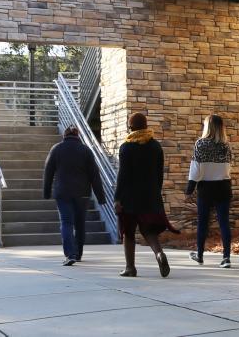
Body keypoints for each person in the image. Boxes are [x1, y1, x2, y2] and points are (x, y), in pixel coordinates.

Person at [114, 112, 178, 277]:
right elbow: (159, 174)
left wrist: (117, 198)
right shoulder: (155, 146)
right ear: (146, 126)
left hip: (129, 197)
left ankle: (130, 268)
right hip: (150, 196)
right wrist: (155, 192)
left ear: (131, 128)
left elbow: (122, 175)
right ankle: (159, 254)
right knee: (148, 231)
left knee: (129, 232)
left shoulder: (126, 147)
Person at [43, 126, 106, 266]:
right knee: (80, 224)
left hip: (63, 192)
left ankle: (70, 254)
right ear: (78, 136)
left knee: (66, 223)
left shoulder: (56, 149)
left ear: (64, 135)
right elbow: (95, 175)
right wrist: (101, 196)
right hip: (82, 193)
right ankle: (78, 254)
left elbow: (48, 172)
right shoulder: (86, 151)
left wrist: (47, 192)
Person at [185, 114, 234, 268]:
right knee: (224, 222)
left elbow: (195, 170)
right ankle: (226, 258)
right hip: (224, 187)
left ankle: (199, 255)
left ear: (207, 126)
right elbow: (228, 167)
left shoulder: (201, 144)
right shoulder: (226, 146)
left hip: (206, 188)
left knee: (203, 223)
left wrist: (189, 189)